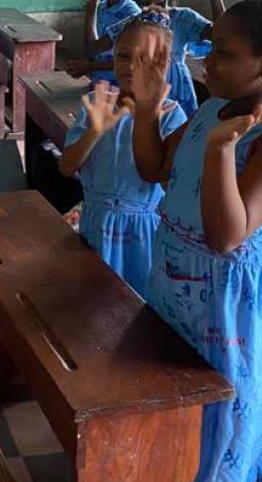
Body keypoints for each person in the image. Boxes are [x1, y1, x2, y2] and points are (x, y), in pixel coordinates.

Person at [131, 0, 262, 482]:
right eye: (210, 49)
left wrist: (220, 152)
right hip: (175, 286)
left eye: (224, 55)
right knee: (175, 420)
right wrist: (145, 111)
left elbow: (225, 236)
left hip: (229, 308)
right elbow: (155, 170)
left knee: (219, 437)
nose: (207, 62)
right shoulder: (210, 110)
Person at [58, 20, 186, 294]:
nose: (130, 67)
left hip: (143, 231)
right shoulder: (97, 103)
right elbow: (67, 167)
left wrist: (146, 115)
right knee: (92, 298)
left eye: (145, 59)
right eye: (123, 56)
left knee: (138, 300)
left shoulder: (171, 115)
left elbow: (169, 184)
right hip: (96, 222)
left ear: (163, 64)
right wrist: (95, 131)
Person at [110, 0, 225, 118]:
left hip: (174, 89)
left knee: (173, 131)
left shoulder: (183, 18)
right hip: (138, 85)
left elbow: (221, 34)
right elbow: (101, 47)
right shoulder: (132, 22)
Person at [65, 0, 141, 84]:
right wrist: (81, 66)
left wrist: (89, 65)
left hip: (120, 81)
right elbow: (90, 47)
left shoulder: (134, 15)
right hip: (96, 77)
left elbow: (131, 60)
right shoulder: (99, 7)